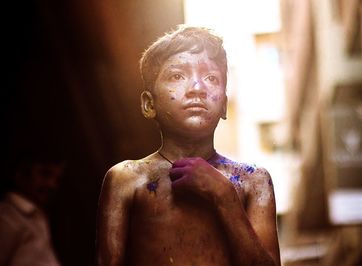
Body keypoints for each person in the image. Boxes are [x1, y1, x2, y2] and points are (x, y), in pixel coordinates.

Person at [96, 25, 280, 266]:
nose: (197, 89)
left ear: (224, 104)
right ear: (149, 104)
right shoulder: (127, 179)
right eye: (177, 76)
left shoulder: (253, 181)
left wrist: (225, 198)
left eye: (211, 78)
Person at [0, 152, 64, 266]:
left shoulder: (37, 216)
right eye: (45, 174)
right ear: (21, 173)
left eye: (57, 179)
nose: (52, 184)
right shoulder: (7, 217)